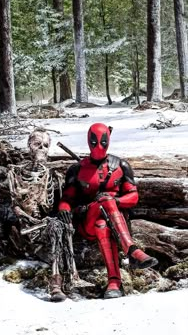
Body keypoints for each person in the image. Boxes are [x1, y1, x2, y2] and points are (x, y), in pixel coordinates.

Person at [57, 122, 158, 299]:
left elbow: (133, 197)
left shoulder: (121, 165)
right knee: (105, 201)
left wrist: (115, 200)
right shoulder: (78, 169)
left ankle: (114, 282)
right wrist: (64, 209)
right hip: (86, 221)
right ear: (89, 141)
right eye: (94, 142)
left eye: (103, 142)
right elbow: (67, 199)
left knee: (102, 224)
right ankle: (132, 250)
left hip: (113, 222)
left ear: (108, 140)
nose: (99, 147)